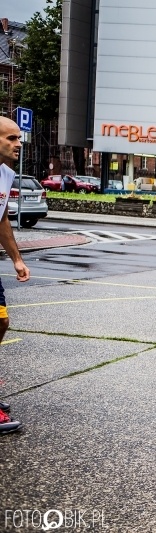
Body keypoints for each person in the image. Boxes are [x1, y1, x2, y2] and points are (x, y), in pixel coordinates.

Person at [0, 117, 31, 435]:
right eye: (11, 137)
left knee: (1, 322)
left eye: (19, 138)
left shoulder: (5, 174)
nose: (18, 143)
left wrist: (17, 259)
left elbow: (2, 219)